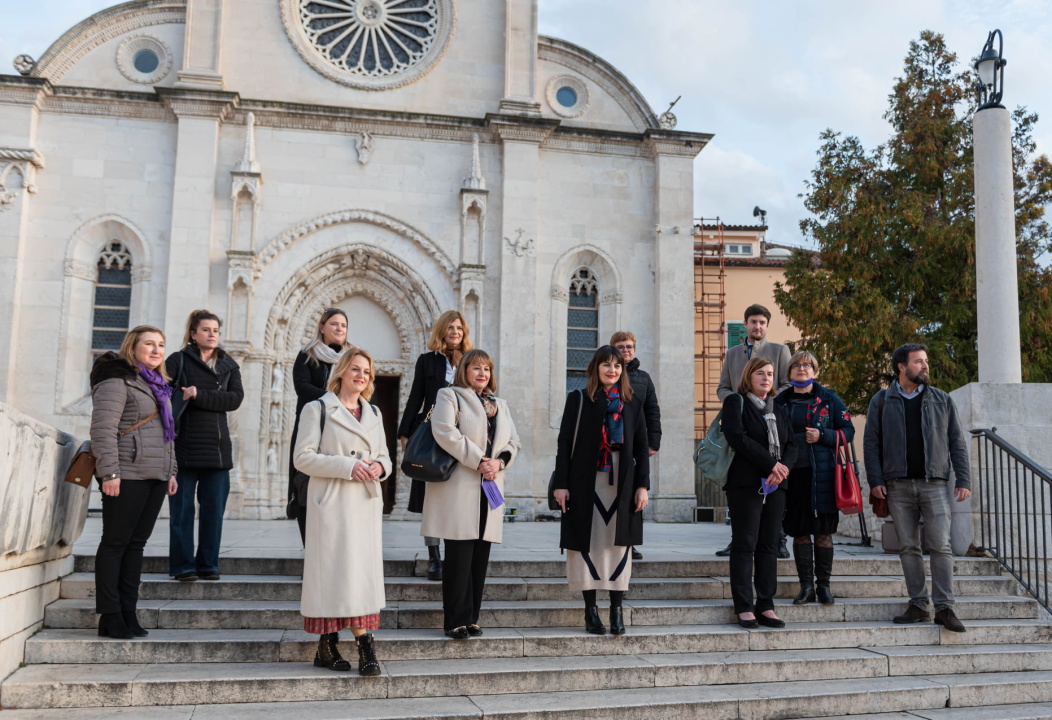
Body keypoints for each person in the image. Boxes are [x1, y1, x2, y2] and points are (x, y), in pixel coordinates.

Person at [294, 346, 391, 674]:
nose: (361, 376)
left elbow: (386, 457)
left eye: (366, 371)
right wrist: (348, 466)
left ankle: (330, 646)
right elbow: (302, 458)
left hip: (364, 504)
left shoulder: (374, 414)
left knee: (357, 576)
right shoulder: (317, 408)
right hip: (333, 503)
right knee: (335, 575)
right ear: (342, 372)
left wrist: (380, 467)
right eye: (355, 369)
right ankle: (358, 647)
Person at [863, 343, 971, 633]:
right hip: (896, 485)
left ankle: (945, 608)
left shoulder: (941, 400)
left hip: (934, 483)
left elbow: (957, 442)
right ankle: (918, 605)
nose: (925, 366)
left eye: (926, 361)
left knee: (941, 546)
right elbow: (871, 442)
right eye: (918, 362)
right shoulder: (882, 400)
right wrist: (875, 480)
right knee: (908, 547)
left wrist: (963, 479)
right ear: (901, 366)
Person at [423, 349, 520, 639]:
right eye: (476, 368)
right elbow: (444, 431)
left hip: (490, 485)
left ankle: (472, 618)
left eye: (487, 369)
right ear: (464, 369)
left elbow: (513, 441)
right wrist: (479, 460)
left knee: (480, 555)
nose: (482, 374)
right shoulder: (449, 395)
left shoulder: (499, 404)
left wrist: (499, 461)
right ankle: (455, 619)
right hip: (461, 485)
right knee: (459, 555)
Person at [553, 346, 650, 636]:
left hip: (623, 479)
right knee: (590, 540)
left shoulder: (632, 402)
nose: (613, 370)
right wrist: (561, 483)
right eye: (606, 365)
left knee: (618, 543)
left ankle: (616, 609)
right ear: (595, 368)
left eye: (618, 366)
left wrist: (643, 485)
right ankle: (590, 610)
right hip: (586, 479)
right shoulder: (579, 399)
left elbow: (643, 447)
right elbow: (564, 442)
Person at [90, 326, 179, 640]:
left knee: (136, 546)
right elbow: (102, 430)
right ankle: (110, 615)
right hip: (126, 474)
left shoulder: (158, 385)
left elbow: (167, 435)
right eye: (149, 344)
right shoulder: (116, 381)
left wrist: (172, 471)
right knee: (115, 544)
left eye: (161, 345)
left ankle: (128, 611)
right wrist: (109, 473)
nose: (156, 350)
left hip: (155, 474)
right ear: (133, 346)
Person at [165, 310, 244, 582]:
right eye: (206, 330)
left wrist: (199, 394)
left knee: (213, 512)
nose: (212, 334)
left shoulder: (229, 365)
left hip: (217, 450)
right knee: (182, 512)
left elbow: (234, 400)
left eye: (216, 330)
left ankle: (209, 564)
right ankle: (183, 566)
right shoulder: (178, 361)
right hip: (183, 448)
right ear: (193, 334)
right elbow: (162, 393)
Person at [722, 355, 797, 629]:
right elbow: (736, 437)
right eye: (760, 373)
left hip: (776, 484)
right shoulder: (736, 402)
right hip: (745, 483)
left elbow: (792, 444)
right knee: (745, 543)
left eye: (770, 374)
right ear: (749, 376)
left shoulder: (778, 407)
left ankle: (766, 605)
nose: (766, 378)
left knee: (768, 545)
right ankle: (743, 606)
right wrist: (771, 464)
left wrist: (783, 469)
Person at [774, 351, 854, 605]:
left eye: (807, 365)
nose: (801, 369)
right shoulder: (780, 400)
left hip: (823, 476)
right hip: (792, 476)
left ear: (815, 371)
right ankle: (806, 587)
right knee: (799, 531)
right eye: (796, 365)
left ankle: (824, 587)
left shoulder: (829, 398)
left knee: (823, 532)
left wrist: (823, 436)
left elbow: (848, 431)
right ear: (789, 372)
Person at [398, 310, 473, 582]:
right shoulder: (427, 361)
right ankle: (434, 557)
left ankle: (456, 553)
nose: (455, 332)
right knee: (430, 495)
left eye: (459, 328)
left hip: (462, 435)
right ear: (442, 331)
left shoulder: (470, 361)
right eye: (450, 327)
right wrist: (405, 434)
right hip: (430, 434)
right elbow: (415, 397)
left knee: (456, 493)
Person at [715, 304, 792, 559]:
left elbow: (785, 385)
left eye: (762, 322)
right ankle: (737, 538)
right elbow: (723, 387)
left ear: (767, 325)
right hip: (740, 419)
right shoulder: (733, 353)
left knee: (773, 483)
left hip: (771, 424)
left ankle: (777, 538)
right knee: (742, 483)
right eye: (752, 322)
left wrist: (768, 403)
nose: (757, 326)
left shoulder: (780, 351)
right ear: (745, 325)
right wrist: (738, 402)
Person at [288, 308, 351, 546]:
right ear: (322, 327)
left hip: (342, 433)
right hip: (311, 430)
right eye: (334, 324)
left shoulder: (352, 358)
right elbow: (302, 387)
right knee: (306, 490)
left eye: (343, 325)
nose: (339, 329)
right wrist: (335, 398)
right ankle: (312, 554)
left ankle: (335, 554)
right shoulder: (307, 355)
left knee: (338, 493)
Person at [611, 331, 660, 561]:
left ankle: (630, 542)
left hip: (634, 445)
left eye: (629, 346)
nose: (626, 350)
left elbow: (652, 411)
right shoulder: (607, 376)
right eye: (621, 347)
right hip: (610, 446)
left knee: (634, 495)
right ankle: (608, 537)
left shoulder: (644, 378)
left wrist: (653, 442)